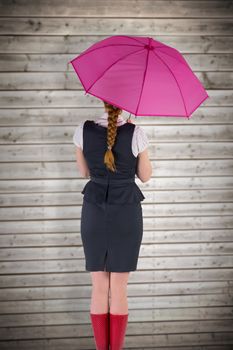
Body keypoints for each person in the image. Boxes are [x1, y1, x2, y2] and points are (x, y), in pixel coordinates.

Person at [73, 101, 152, 349]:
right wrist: (131, 136)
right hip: (126, 212)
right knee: (118, 289)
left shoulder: (82, 130)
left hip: (94, 211)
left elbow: (84, 172)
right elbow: (146, 176)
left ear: (101, 100)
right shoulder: (136, 132)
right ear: (125, 104)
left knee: (98, 287)